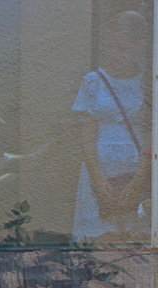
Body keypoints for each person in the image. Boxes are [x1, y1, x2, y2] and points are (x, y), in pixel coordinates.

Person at [72, 10, 152, 244]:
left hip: (138, 169)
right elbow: (86, 135)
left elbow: (151, 134)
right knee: (102, 242)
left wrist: (139, 181)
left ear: (140, 46)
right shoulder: (93, 81)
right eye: (112, 47)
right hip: (100, 173)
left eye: (124, 48)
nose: (117, 55)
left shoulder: (148, 83)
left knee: (136, 241)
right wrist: (98, 181)